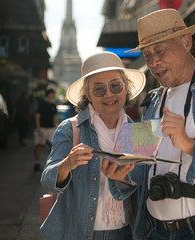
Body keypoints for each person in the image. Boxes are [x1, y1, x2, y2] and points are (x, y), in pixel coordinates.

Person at [101, 9, 195, 240]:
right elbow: (143, 168)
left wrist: (189, 144)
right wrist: (120, 173)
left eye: (160, 51)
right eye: (147, 55)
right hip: (155, 230)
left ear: (186, 42)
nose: (154, 62)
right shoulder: (152, 101)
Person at [40, 52, 146, 240]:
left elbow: (144, 184)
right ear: (88, 95)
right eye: (99, 89)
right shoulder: (71, 129)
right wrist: (67, 164)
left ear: (126, 88)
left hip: (126, 233)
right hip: (80, 234)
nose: (109, 94)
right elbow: (47, 180)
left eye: (115, 86)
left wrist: (123, 179)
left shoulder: (138, 131)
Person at [34, 88, 59, 171]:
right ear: (49, 94)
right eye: (53, 93)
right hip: (42, 128)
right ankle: (36, 163)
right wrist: (39, 129)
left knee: (54, 145)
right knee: (39, 145)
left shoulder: (53, 105)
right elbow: (37, 117)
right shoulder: (42, 104)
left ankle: (52, 164)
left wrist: (59, 128)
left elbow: (55, 118)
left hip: (51, 128)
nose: (54, 95)